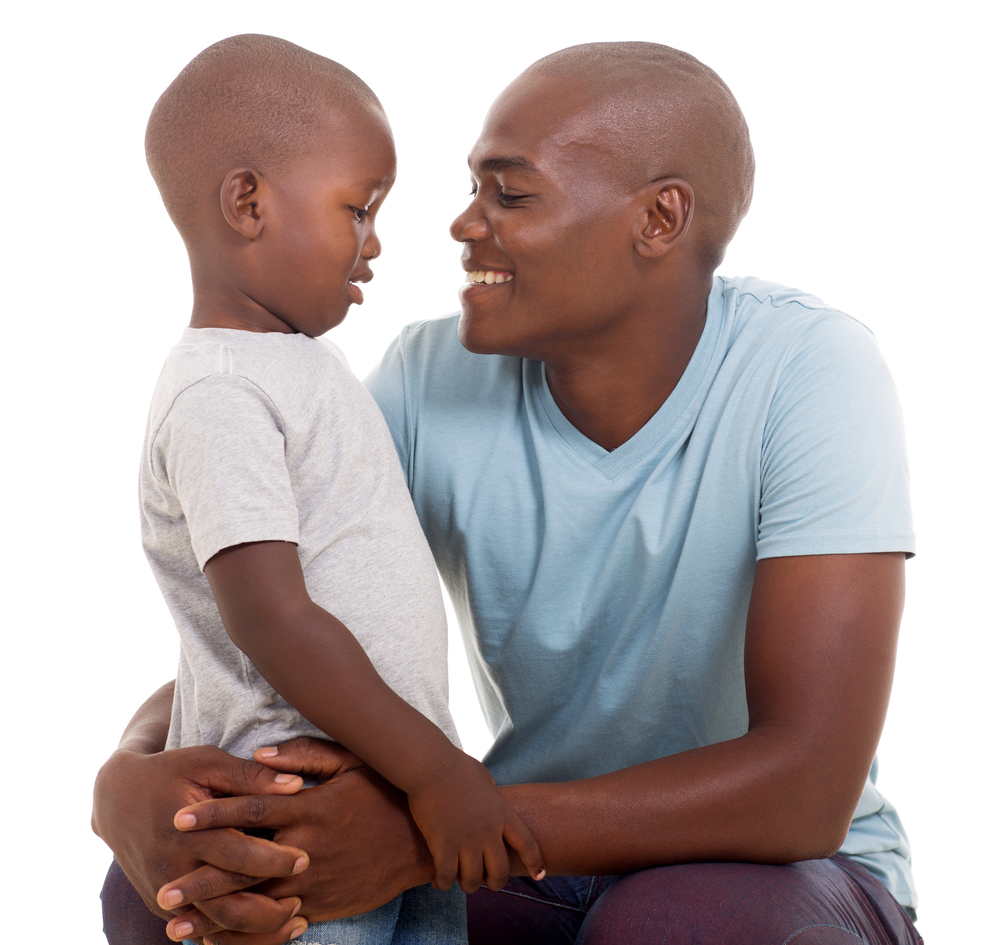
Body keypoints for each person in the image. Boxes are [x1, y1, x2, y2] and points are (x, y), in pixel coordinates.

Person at [94, 41, 923, 945]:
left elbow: (805, 788)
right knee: (203, 874)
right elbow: (281, 621)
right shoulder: (423, 381)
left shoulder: (808, 370)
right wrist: (130, 776)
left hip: (772, 869)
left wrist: (423, 833)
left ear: (660, 218)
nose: (461, 223)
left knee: (674, 926)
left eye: (510, 193)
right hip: (521, 850)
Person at [118, 32, 545, 945]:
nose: (376, 241)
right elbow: (270, 615)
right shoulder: (220, 391)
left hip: (388, 798)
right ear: (248, 202)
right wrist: (438, 772)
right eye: (358, 208)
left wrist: (422, 780)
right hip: (295, 814)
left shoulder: (304, 368)